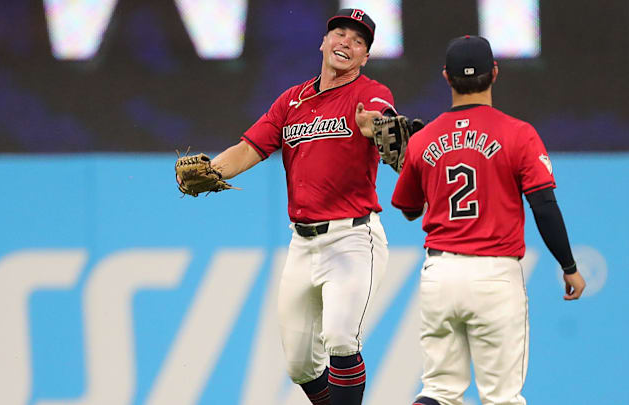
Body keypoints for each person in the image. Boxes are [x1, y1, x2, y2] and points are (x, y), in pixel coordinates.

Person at [206, 8, 398, 405]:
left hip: (352, 238)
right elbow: (250, 148)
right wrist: (212, 170)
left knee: (342, 340)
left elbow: (379, 119)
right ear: (324, 43)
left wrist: (378, 127)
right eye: (340, 34)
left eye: (358, 41)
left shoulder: (369, 93)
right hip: (303, 243)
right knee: (299, 366)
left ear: (365, 58)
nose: (347, 42)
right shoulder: (292, 100)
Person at [391, 35, 587, 405]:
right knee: (501, 397)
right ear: (494, 73)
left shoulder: (423, 139)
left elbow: (409, 208)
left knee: (440, 391)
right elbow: (543, 205)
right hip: (495, 275)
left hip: (441, 275)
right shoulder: (518, 134)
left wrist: (410, 161)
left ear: (446, 77)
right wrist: (569, 265)